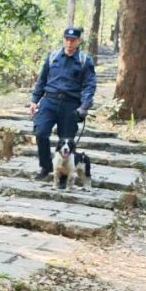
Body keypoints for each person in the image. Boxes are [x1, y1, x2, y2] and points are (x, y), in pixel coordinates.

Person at [29, 26, 97, 186]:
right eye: (67, 39)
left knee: (67, 140)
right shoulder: (53, 57)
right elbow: (42, 80)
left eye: (73, 40)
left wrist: (84, 107)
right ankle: (46, 167)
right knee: (41, 132)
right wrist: (34, 100)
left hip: (70, 104)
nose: (69, 42)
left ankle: (64, 177)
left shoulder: (84, 60)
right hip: (49, 101)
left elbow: (90, 86)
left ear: (79, 41)